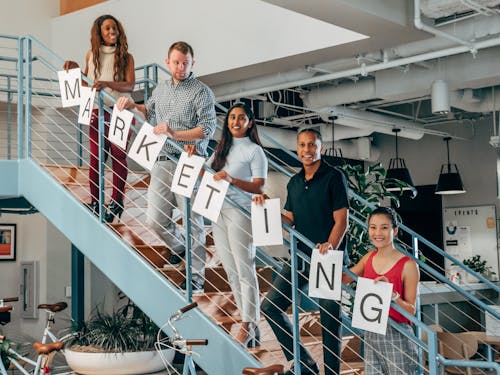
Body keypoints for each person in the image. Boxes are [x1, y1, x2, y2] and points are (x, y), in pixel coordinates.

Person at [116, 41, 216, 292]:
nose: (181, 67)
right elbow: (148, 113)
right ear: (167, 62)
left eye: (186, 63)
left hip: (189, 161)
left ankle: (196, 279)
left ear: (193, 63)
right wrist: (131, 105)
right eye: (176, 62)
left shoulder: (202, 92)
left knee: (193, 222)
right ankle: (180, 247)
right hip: (161, 161)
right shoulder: (160, 89)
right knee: (155, 219)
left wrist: (175, 134)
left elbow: (207, 129)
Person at [255, 128, 349, 375]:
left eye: (312, 145)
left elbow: (342, 220)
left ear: (321, 148)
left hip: (327, 258)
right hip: (299, 257)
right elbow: (290, 219)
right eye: (303, 145)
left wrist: (330, 245)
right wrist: (266, 207)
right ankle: (305, 364)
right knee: (270, 307)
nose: (307, 150)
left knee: (329, 320)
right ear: (297, 149)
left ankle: (332, 373)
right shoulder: (294, 182)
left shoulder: (334, 177)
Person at [64, 14, 135, 223]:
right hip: (97, 109)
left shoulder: (126, 57)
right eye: (108, 29)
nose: (113, 32)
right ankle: (96, 201)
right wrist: (74, 70)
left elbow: (130, 85)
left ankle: (116, 200)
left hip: (119, 110)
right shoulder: (91, 54)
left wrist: (109, 83)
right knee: (96, 158)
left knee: (118, 156)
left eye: (115, 28)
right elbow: (88, 84)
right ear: (100, 33)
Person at [207, 102, 267, 347]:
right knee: (231, 269)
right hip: (217, 210)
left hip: (241, 211)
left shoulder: (255, 151)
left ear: (250, 122)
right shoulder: (222, 148)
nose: (235, 121)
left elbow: (259, 186)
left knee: (245, 268)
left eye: (241, 117)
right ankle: (248, 320)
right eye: (232, 117)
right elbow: (208, 172)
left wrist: (231, 179)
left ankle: (248, 322)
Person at [343, 206, 419, 375]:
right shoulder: (368, 258)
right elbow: (343, 279)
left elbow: (411, 311)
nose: (378, 233)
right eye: (373, 227)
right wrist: (326, 253)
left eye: (384, 228)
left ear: (395, 231)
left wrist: (393, 296)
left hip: (397, 333)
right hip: (371, 332)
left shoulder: (408, 265)